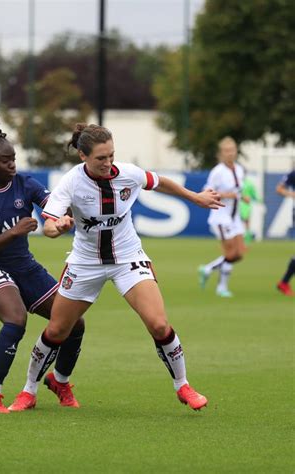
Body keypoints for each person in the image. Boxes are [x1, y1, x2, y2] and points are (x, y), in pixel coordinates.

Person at [13, 123, 223, 412]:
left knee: (159, 324)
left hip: (127, 258)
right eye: (101, 158)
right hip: (85, 263)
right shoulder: (71, 182)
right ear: (82, 157)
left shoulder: (128, 174)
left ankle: (183, 385)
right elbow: (48, 224)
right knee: (58, 329)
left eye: (111, 155)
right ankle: (29, 391)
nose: (108, 163)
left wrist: (196, 197)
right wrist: (58, 226)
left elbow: (160, 182)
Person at [0, 115, 84, 414]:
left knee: (74, 323)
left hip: (23, 266)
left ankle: (60, 380)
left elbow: (53, 207)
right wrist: (13, 232)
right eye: (5, 161)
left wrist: (62, 218)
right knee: (16, 320)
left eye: (14, 159)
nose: (12, 165)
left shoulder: (24, 184)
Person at [198, 137, 245, 297]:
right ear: (221, 153)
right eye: (226, 151)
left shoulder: (239, 169)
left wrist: (241, 196)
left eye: (232, 150)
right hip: (221, 216)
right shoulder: (217, 171)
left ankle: (208, 269)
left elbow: (238, 191)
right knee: (231, 252)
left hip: (235, 217)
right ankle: (221, 287)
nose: (230, 153)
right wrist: (226, 195)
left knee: (238, 253)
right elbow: (207, 191)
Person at [275, 170, 295, 296]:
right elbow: (279, 189)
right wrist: (291, 193)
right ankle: (284, 282)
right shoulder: (293, 174)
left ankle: (284, 282)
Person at [239, 174, 260, 244]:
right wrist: (259, 200)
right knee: (246, 222)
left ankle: (243, 238)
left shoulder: (238, 182)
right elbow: (254, 195)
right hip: (245, 205)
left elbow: (253, 194)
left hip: (241, 204)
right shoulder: (248, 183)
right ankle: (246, 238)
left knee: (240, 222)